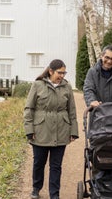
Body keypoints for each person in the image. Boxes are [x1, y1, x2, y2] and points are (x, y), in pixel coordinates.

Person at [23, 59, 79, 199]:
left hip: (61, 131)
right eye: (59, 72)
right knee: (38, 163)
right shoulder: (37, 85)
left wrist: (73, 131)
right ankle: (36, 188)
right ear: (50, 71)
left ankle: (55, 194)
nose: (62, 75)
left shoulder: (67, 87)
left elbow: (71, 111)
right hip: (40, 130)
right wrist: (29, 130)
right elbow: (29, 108)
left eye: (64, 73)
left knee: (56, 166)